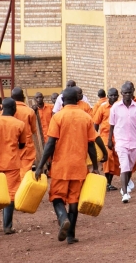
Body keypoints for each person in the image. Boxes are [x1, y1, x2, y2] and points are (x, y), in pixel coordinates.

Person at [34, 86, 105, 244]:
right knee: (74, 200)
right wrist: (95, 167)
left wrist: (40, 165)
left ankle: (62, 218)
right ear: (78, 100)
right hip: (79, 167)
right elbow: (91, 145)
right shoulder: (86, 117)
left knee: (56, 196)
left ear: (63, 100)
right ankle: (71, 235)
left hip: (61, 166)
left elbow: (50, 143)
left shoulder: (58, 117)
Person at [0, 98, 27, 234]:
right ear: (14, 109)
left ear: (2, 108)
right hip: (12, 163)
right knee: (11, 193)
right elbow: (22, 144)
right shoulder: (19, 124)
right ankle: (7, 226)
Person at [109, 81, 136, 203]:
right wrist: (110, 140)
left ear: (133, 92)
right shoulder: (115, 107)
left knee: (129, 168)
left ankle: (124, 186)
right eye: (125, 93)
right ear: (121, 93)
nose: (127, 95)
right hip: (121, 142)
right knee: (124, 166)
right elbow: (111, 125)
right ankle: (125, 193)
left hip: (134, 142)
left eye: (129, 93)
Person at [94, 88, 121, 191]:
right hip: (105, 136)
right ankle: (106, 182)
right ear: (107, 96)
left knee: (115, 159)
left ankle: (109, 182)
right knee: (108, 156)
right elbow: (96, 123)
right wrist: (94, 138)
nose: (113, 97)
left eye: (115, 95)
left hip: (118, 135)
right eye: (111, 95)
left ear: (118, 96)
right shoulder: (103, 107)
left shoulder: (120, 107)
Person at [11, 88, 42, 173]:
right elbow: (33, 130)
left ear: (11, 98)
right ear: (23, 98)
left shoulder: (6, 109)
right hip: (26, 145)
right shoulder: (29, 111)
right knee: (24, 170)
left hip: (10, 144)